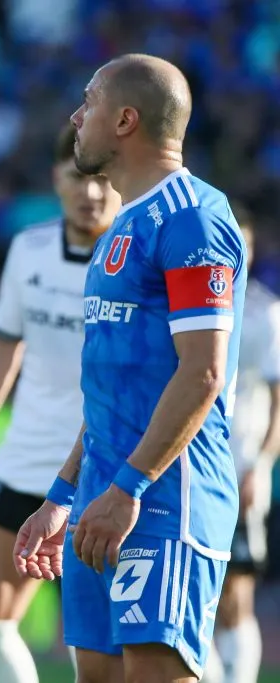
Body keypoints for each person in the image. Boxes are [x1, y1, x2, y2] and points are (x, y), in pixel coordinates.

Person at [13, 53, 247, 683]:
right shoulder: (123, 227)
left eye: (87, 102)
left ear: (124, 120)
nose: (75, 116)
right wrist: (63, 496)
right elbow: (112, 391)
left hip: (165, 499)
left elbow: (202, 373)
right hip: (103, 496)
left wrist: (130, 489)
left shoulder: (193, 218)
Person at [0, 123, 120, 683]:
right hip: (24, 461)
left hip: (106, 466)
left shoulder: (138, 259)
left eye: (101, 181)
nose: (89, 193)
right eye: (76, 178)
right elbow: (1, 343)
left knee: (97, 648)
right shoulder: (29, 249)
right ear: (55, 180)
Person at [203, 207, 280, 683]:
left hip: (240, 465)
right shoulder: (195, 305)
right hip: (194, 464)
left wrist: (262, 466)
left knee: (235, 593)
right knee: (198, 590)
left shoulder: (265, 313)